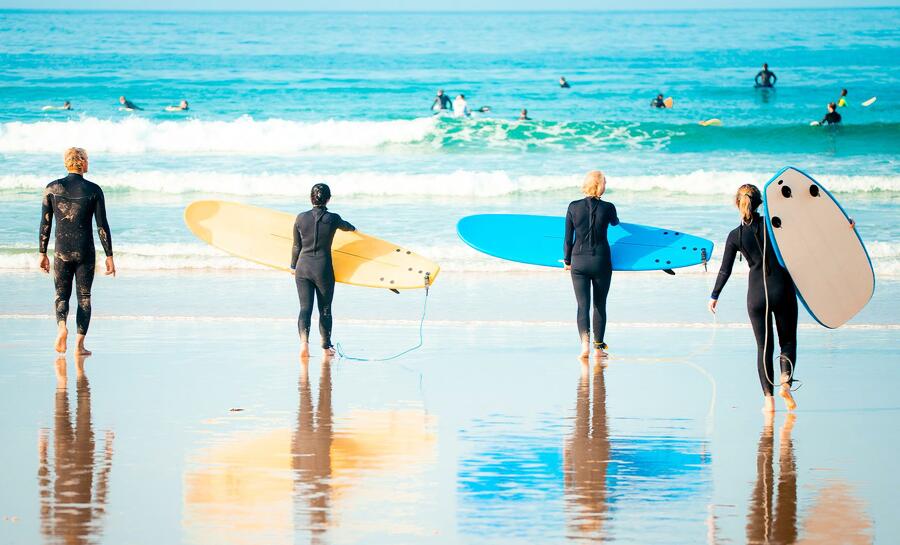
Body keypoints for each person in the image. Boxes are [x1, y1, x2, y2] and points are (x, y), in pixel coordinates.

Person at [708, 184, 797, 413]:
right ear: (760, 204)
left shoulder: (734, 236)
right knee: (786, 341)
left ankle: (768, 400)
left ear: (737, 204)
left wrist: (714, 295)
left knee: (762, 347)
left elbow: (724, 270)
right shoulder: (774, 224)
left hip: (756, 296)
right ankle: (785, 381)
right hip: (782, 289)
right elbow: (807, 235)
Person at [39, 148, 116, 356]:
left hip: (61, 251)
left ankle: (61, 327)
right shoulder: (93, 189)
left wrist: (42, 253)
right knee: (84, 297)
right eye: (87, 159)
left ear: (67, 163)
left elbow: (45, 224)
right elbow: (102, 226)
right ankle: (79, 346)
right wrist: (109, 256)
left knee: (61, 296)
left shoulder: (51, 188)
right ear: (82, 163)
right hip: (85, 251)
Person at [290, 183, 355, 359]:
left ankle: (304, 344)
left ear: (310, 198)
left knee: (305, 308)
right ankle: (326, 347)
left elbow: (296, 245)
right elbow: (347, 226)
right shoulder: (333, 218)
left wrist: (293, 266)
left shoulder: (300, 218)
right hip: (323, 269)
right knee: (325, 309)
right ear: (328, 199)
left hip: (302, 268)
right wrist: (354, 229)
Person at [564, 171, 619, 360]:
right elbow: (615, 223)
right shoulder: (609, 207)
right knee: (599, 305)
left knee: (582, 305)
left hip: (578, 261)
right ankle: (598, 349)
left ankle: (584, 346)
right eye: (605, 181)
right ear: (600, 185)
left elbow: (568, 239)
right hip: (601, 261)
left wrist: (567, 261)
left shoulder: (573, 207)